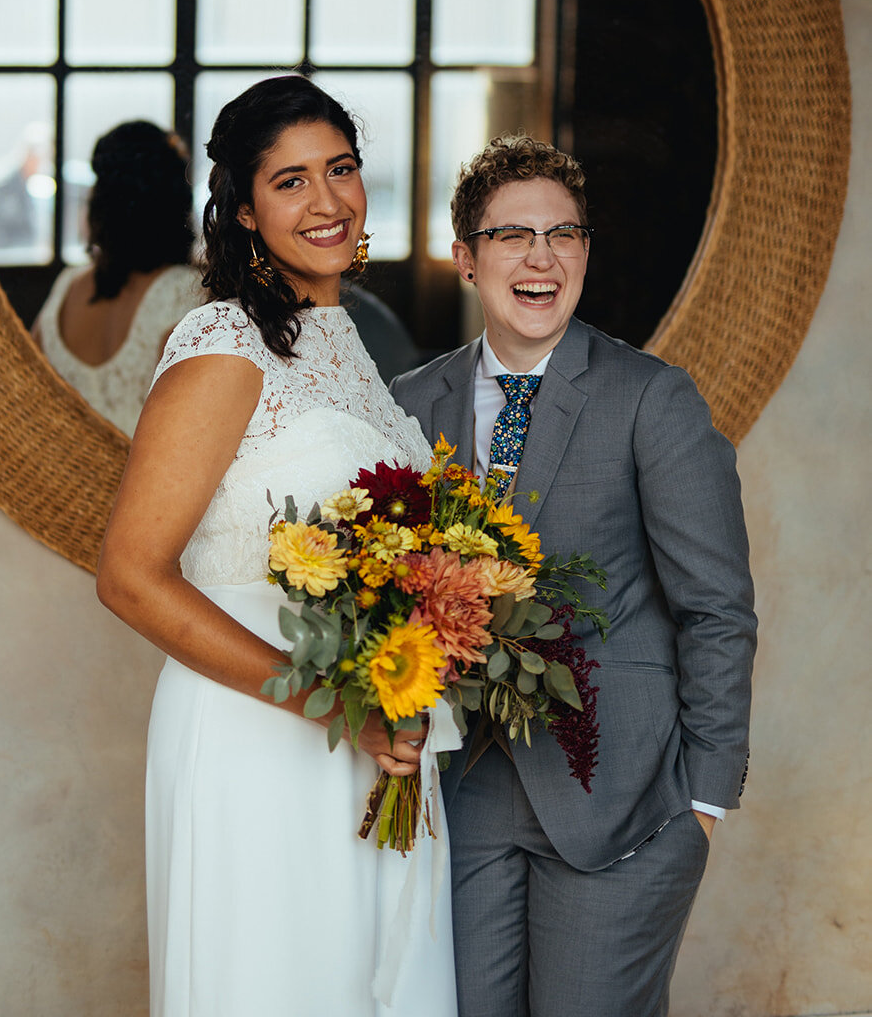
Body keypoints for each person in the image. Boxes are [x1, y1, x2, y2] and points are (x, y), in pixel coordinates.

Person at [96, 76, 458, 1017]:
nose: (328, 201)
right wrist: (337, 710)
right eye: (290, 181)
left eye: (340, 169)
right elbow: (130, 579)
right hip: (256, 733)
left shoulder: (343, 342)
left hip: (370, 731)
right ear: (245, 211)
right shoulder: (223, 344)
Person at [390, 134, 756, 1017]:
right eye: (512, 235)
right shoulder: (407, 406)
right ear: (465, 255)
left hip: (623, 801)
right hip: (460, 800)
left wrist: (702, 800)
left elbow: (716, 609)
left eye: (565, 234)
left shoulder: (650, 397)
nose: (541, 257)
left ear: (586, 251)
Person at [33, 121, 203, 436]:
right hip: (145, 481)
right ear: (175, 202)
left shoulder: (67, 287)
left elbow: (29, 392)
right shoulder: (185, 294)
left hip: (60, 479)